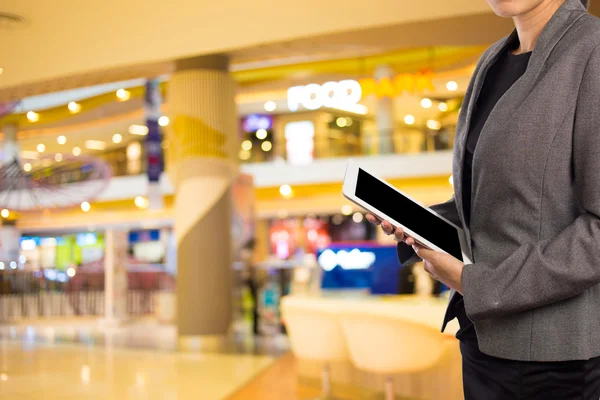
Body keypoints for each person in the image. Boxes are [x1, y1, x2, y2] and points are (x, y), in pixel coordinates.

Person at [367, 0, 600, 398]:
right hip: (482, 344)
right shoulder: (492, 61)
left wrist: (478, 284)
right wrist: (420, 222)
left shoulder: (591, 52)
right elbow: (490, 204)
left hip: (556, 362)